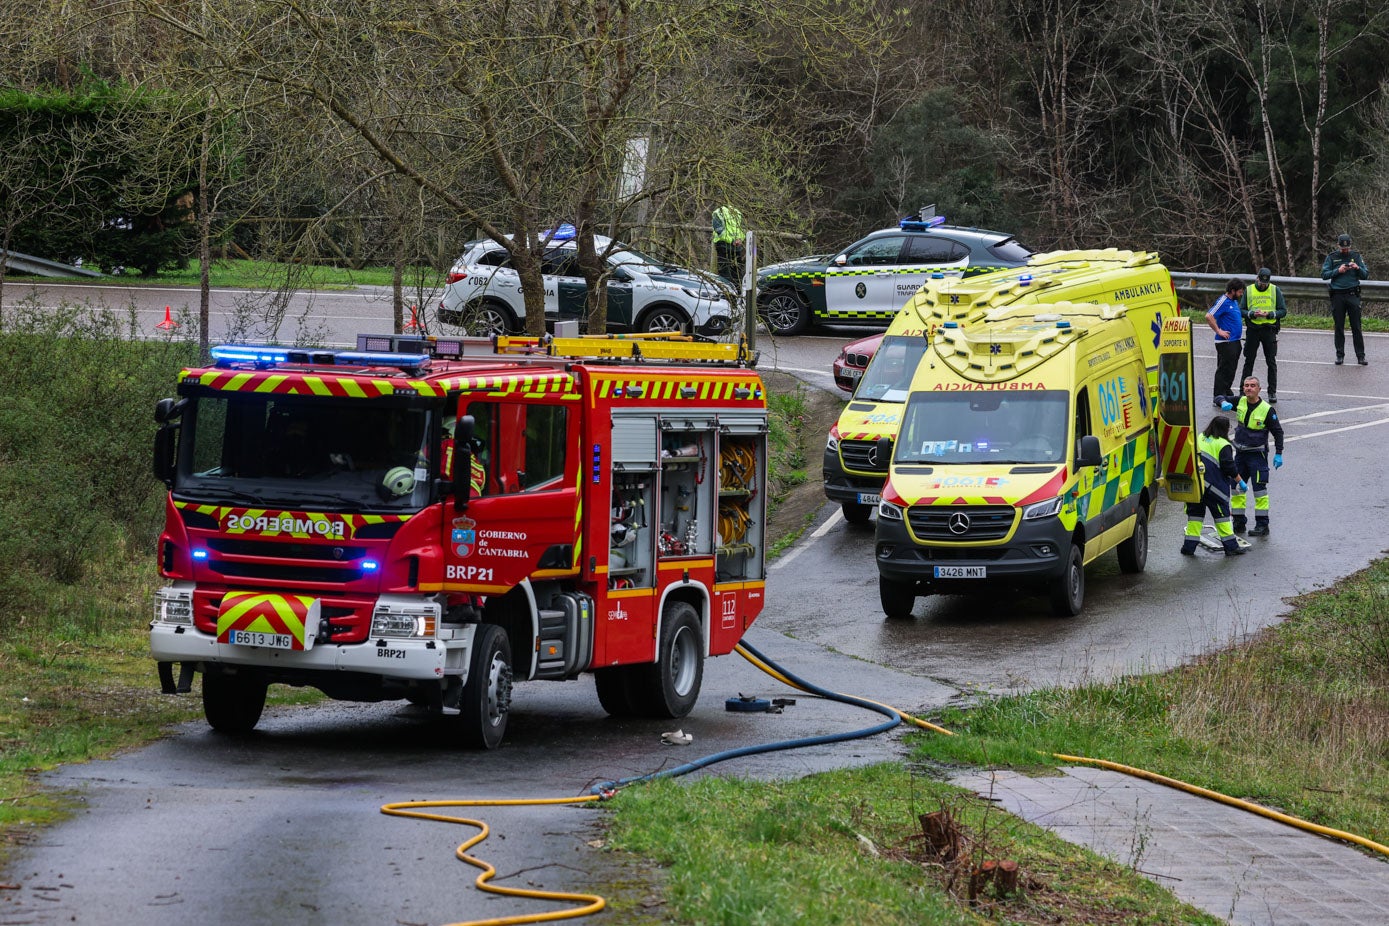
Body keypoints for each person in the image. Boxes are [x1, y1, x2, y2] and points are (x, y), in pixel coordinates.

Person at [1228, 375, 1284, 536]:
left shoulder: (1267, 409)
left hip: (1257, 456)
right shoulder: (1240, 401)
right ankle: (1239, 522)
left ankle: (1262, 525)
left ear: (1259, 389)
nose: (1249, 388)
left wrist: (1278, 453)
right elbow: (1219, 396)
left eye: (1252, 386)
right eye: (1246, 385)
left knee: (1259, 491)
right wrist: (1222, 402)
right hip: (1240, 455)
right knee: (1237, 488)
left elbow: (1278, 432)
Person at [1181, 415, 1244, 556]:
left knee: (1195, 517)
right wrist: (1240, 481)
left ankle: (1188, 547)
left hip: (1197, 485)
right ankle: (1231, 547)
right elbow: (1229, 467)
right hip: (1214, 489)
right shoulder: (1223, 444)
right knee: (1222, 518)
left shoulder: (1201, 437)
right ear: (1225, 429)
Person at [1321, 233, 1369, 365]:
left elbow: (1365, 275)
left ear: (1350, 246)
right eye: (1343, 248)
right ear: (1338, 246)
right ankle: (1340, 355)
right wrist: (1338, 271)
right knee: (1339, 327)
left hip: (1352, 294)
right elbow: (1324, 275)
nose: (1345, 250)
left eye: (1347, 248)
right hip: (1337, 295)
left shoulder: (1356, 256)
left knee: (1356, 327)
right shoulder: (1332, 257)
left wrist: (1357, 268)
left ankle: (1361, 356)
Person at [1239, 267, 1286, 404]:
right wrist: (1251, 314)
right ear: (1257, 278)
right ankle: (1244, 391)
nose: (1263, 285)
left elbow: (1283, 310)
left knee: (1271, 362)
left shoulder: (1274, 290)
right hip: (1253, 329)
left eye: (1265, 283)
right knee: (1249, 360)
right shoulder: (1249, 290)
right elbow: (1241, 309)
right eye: (1261, 282)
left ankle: (1272, 392)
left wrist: (1271, 314)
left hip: (1269, 329)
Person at [1205, 278, 1245, 408]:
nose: (1241, 294)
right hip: (1225, 342)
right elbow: (1209, 316)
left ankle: (1226, 392)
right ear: (1232, 290)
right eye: (1239, 292)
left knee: (1231, 369)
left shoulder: (1233, 302)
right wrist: (1218, 330)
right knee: (1224, 369)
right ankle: (1218, 396)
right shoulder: (1223, 301)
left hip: (1234, 341)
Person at [711, 204, 746, 285]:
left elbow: (718, 229)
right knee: (737, 272)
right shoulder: (737, 213)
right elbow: (743, 229)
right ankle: (738, 292)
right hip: (737, 247)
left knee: (724, 272)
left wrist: (731, 241)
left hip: (724, 246)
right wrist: (739, 240)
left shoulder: (719, 212)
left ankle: (727, 291)